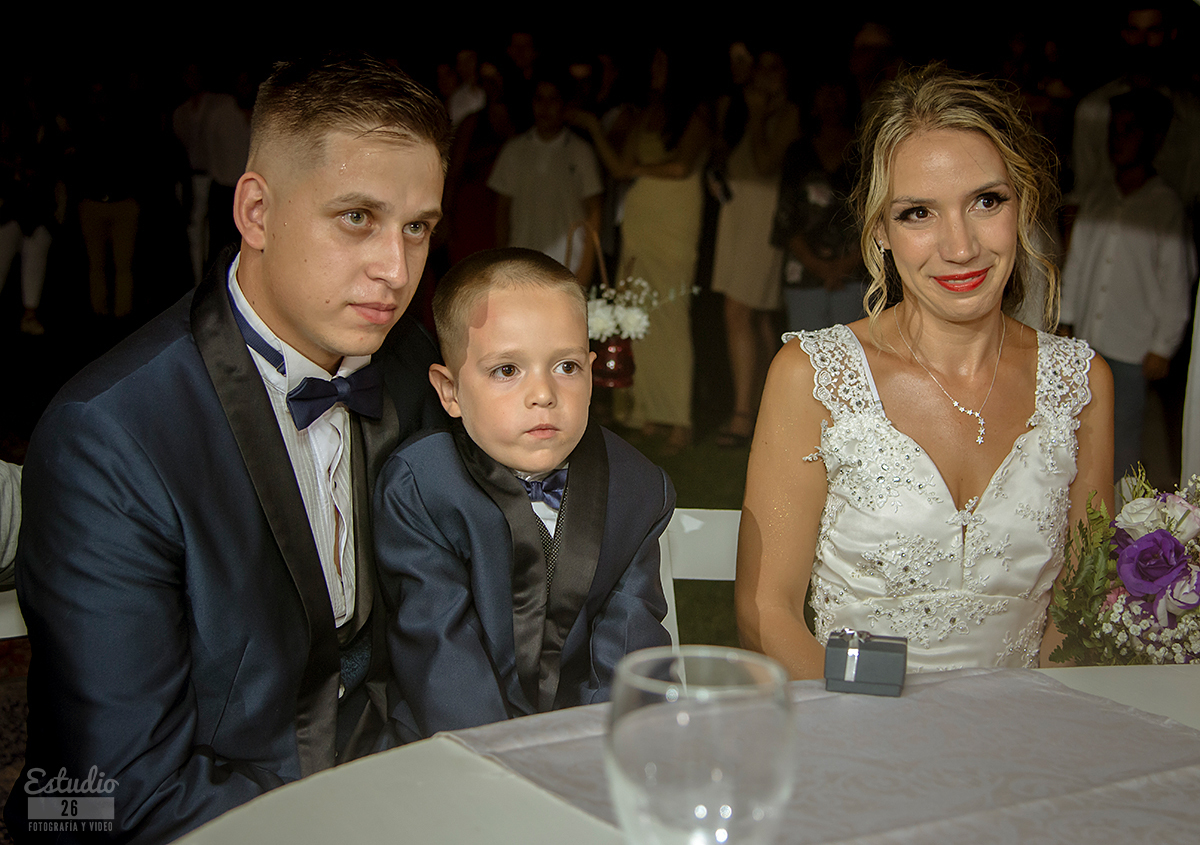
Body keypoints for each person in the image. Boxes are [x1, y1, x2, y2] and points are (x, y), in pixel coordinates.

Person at [6, 54, 450, 843]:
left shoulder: (413, 364)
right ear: (256, 211)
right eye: (358, 217)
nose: (396, 268)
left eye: (417, 226)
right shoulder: (109, 436)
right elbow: (119, 795)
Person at [735, 66, 1114, 679]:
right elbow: (764, 613)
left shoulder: (1081, 384)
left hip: (1026, 724)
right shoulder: (814, 377)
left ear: (1023, 205)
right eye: (918, 213)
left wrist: (1032, 721)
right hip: (854, 717)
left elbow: (1077, 612)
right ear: (880, 231)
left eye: (986, 201)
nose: (960, 247)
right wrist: (898, 711)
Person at [374, 248, 674, 739]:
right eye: (506, 370)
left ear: (592, 373)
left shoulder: (636, 488)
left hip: (584, 745)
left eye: (567, 367)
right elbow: (441, 657)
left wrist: (603, 752)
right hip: (453, 745)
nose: (543, 394)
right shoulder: (422, 486)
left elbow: (629, 650)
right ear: (449, 391)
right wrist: (504, 765)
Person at [570, 46, 710, 455]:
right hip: (641, 217)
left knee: (671, 313)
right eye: (653, 62)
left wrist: (638, 170)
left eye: (663, 62)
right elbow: (619, 167)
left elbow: (682, 166)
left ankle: (679, 418)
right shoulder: (643, 112)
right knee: (637, 314)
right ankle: (645, 411)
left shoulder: (698, 112)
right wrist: (595, 129)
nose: (655, 69)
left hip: (675, 216)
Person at [1060, 88, 1193, 482]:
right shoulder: (1099, 197)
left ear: (1153, 139)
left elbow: (1176, 280)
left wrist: (1163, 345)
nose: (1117, 139)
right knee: (1082, 433)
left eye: (1129, 130)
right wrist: (1066, 318)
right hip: (1089, 341)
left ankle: (1121, 515)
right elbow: (1077, 263)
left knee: (1123, 439)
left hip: (1132, 346)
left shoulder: (1164, 206)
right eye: (1113, 130)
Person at [488, 76, 603, 287]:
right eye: (539, 99)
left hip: (568, 264)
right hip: (521, 264)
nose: (545, 107)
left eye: (553, 99)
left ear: (564, 105)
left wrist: (585, 269)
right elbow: (502, 210)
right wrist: (502, 261)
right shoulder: (514, 150)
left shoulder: (580, 151)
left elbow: (594, 211)